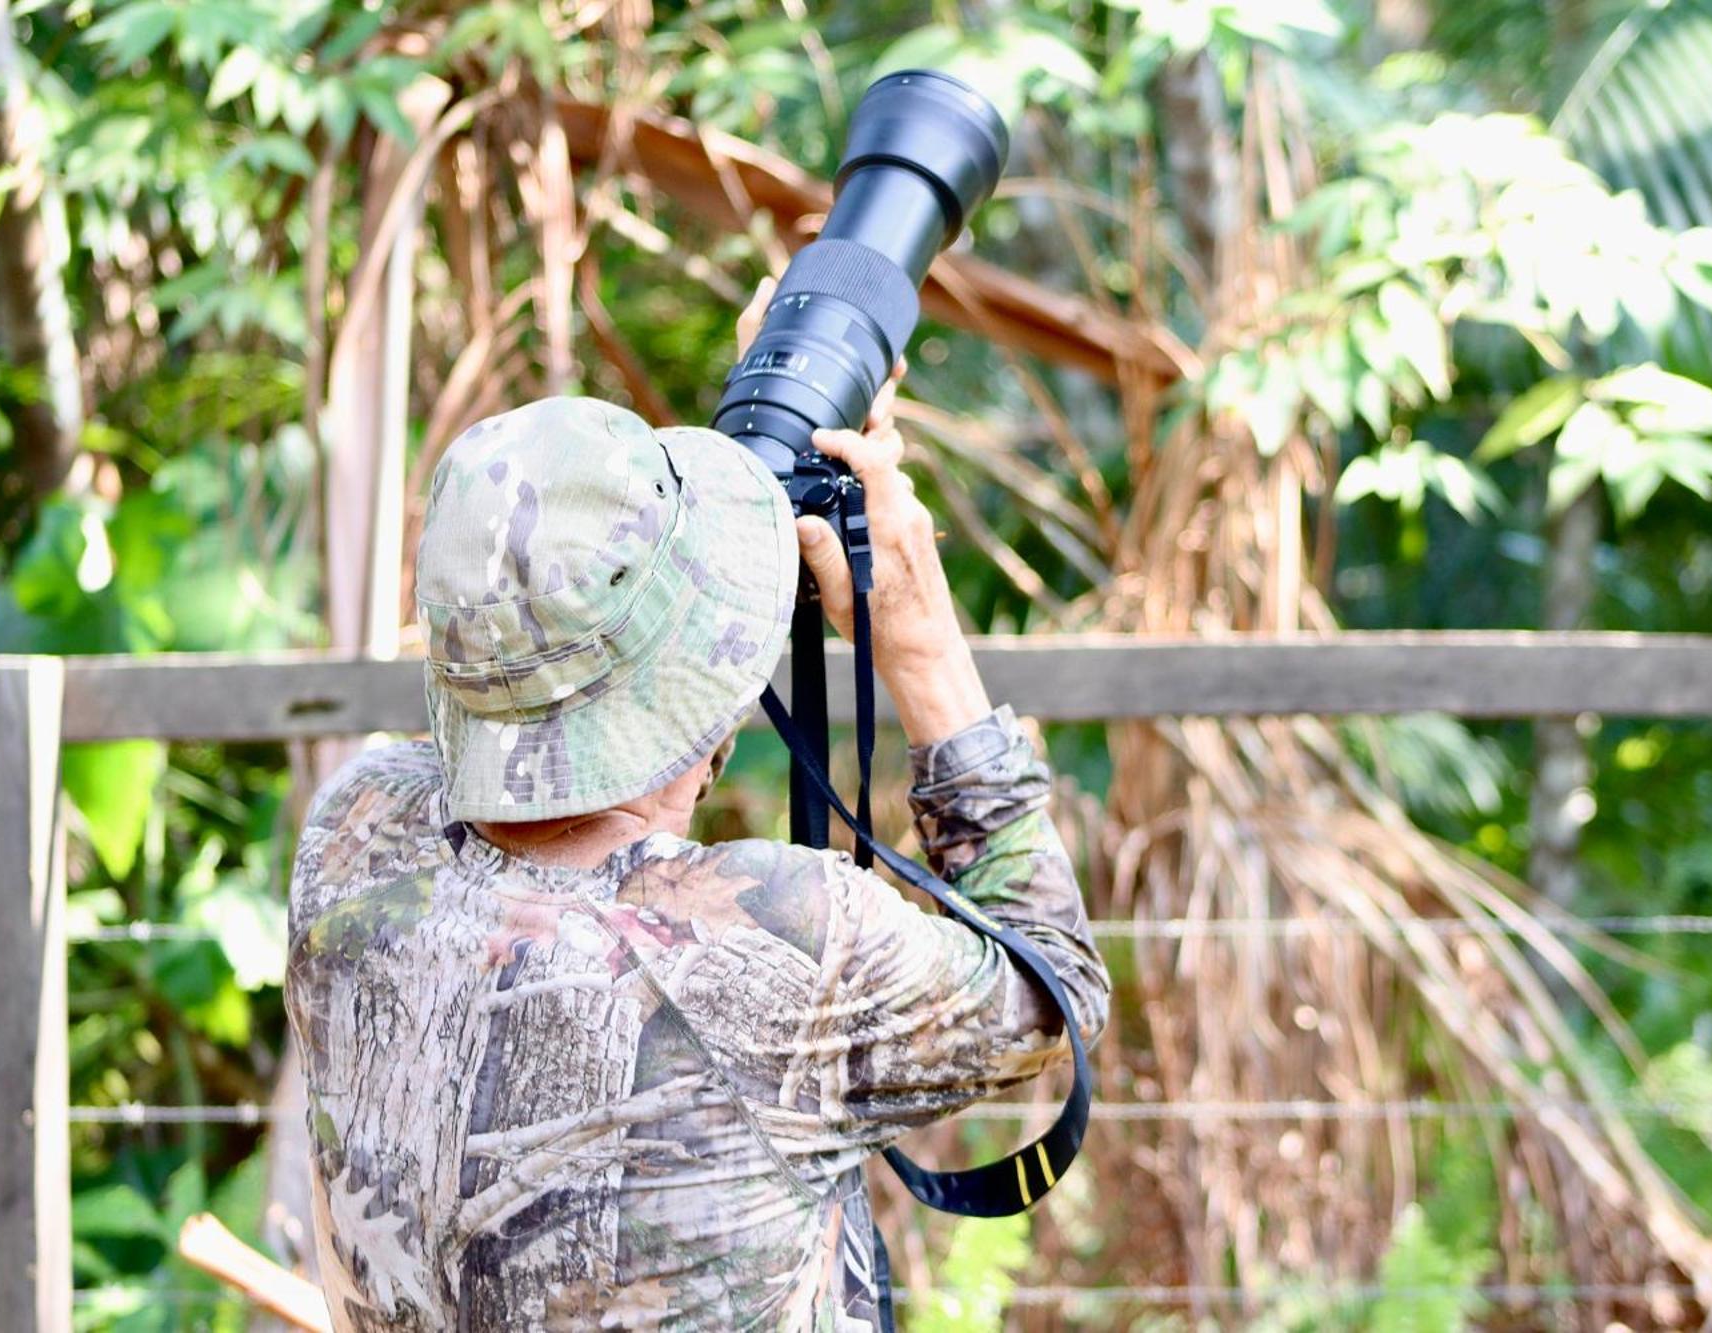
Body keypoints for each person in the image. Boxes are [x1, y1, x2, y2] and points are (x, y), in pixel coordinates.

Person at [284, 283, 1110, 1331]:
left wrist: (710, 543)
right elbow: (1058, 993)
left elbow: (567, 750)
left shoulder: (357, 836)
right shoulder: (783, 934)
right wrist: (918, 641)